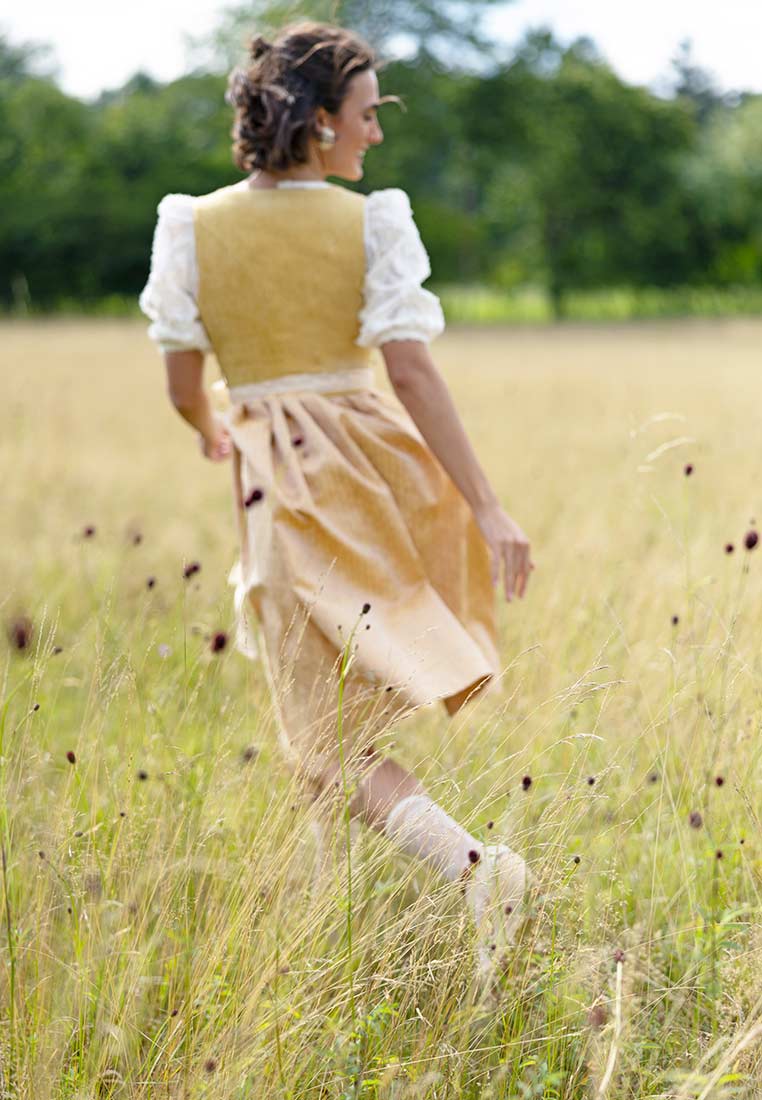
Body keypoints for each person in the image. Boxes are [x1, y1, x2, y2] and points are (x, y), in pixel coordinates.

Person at [139, 21, 534, 981]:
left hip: (280, 484)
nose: (376, 135)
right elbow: (410, 370)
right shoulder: (373, 224)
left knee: (318, 734)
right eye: (366, 114)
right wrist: (482, 505)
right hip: (374, 476)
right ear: (318, 124)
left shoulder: (192, 225)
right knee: (323, 722)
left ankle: (479, 868)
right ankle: (319, 923)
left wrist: (212, 430)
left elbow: (184, 381)